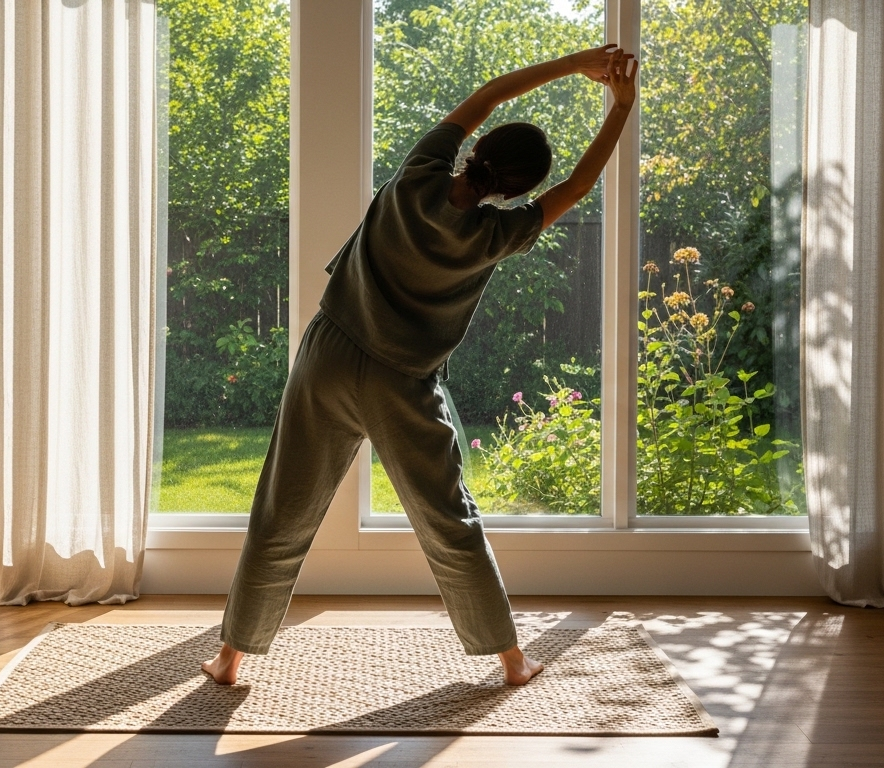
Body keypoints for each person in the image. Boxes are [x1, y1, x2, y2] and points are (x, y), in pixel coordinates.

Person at [202, 45, 638, 687]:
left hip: (329, 354)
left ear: (478, 147)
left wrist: (575, 64)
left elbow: (490, 92)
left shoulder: (418, 173)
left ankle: (230, 658)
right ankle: (512, 662)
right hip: (401, 384)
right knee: (448, 518)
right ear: (521, 189)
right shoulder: (497, 234)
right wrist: (621, 108)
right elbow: (579, 185)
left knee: (282, 508)